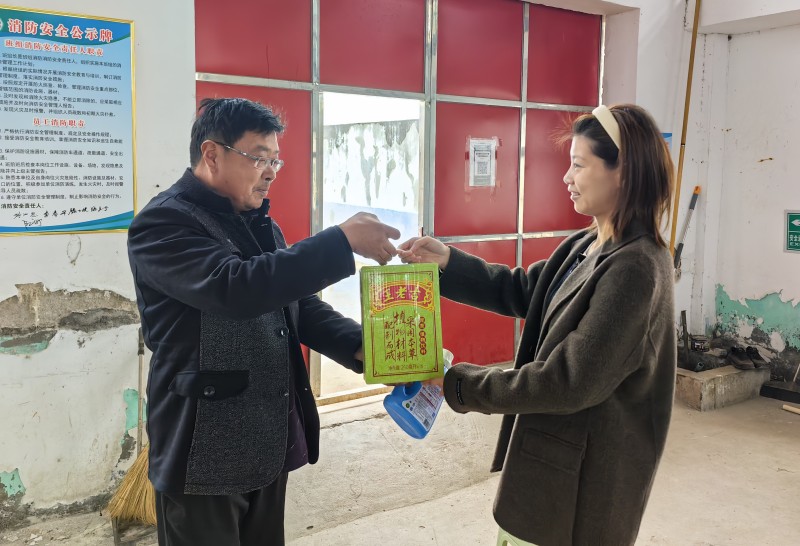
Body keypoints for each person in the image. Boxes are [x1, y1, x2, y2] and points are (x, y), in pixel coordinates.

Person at [127, 97, 400, 545]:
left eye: (276, 160)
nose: (271, 172)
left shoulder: (258, 223)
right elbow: (234, 289)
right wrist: (339, 241)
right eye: (258, 157)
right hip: (203, 449)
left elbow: (298, 305)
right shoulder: (163, 224)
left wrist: (366, 348)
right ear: (212, 154)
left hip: (266, 438)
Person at [399, 104, 676, 546]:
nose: (567, 177)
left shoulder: (636, 268)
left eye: (579, 165)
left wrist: (459, 384)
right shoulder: (588, 242)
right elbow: (523, 289)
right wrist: (447, 261)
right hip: (548, 468)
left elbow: (567, 381)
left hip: (581, 489)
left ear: (623, 173)